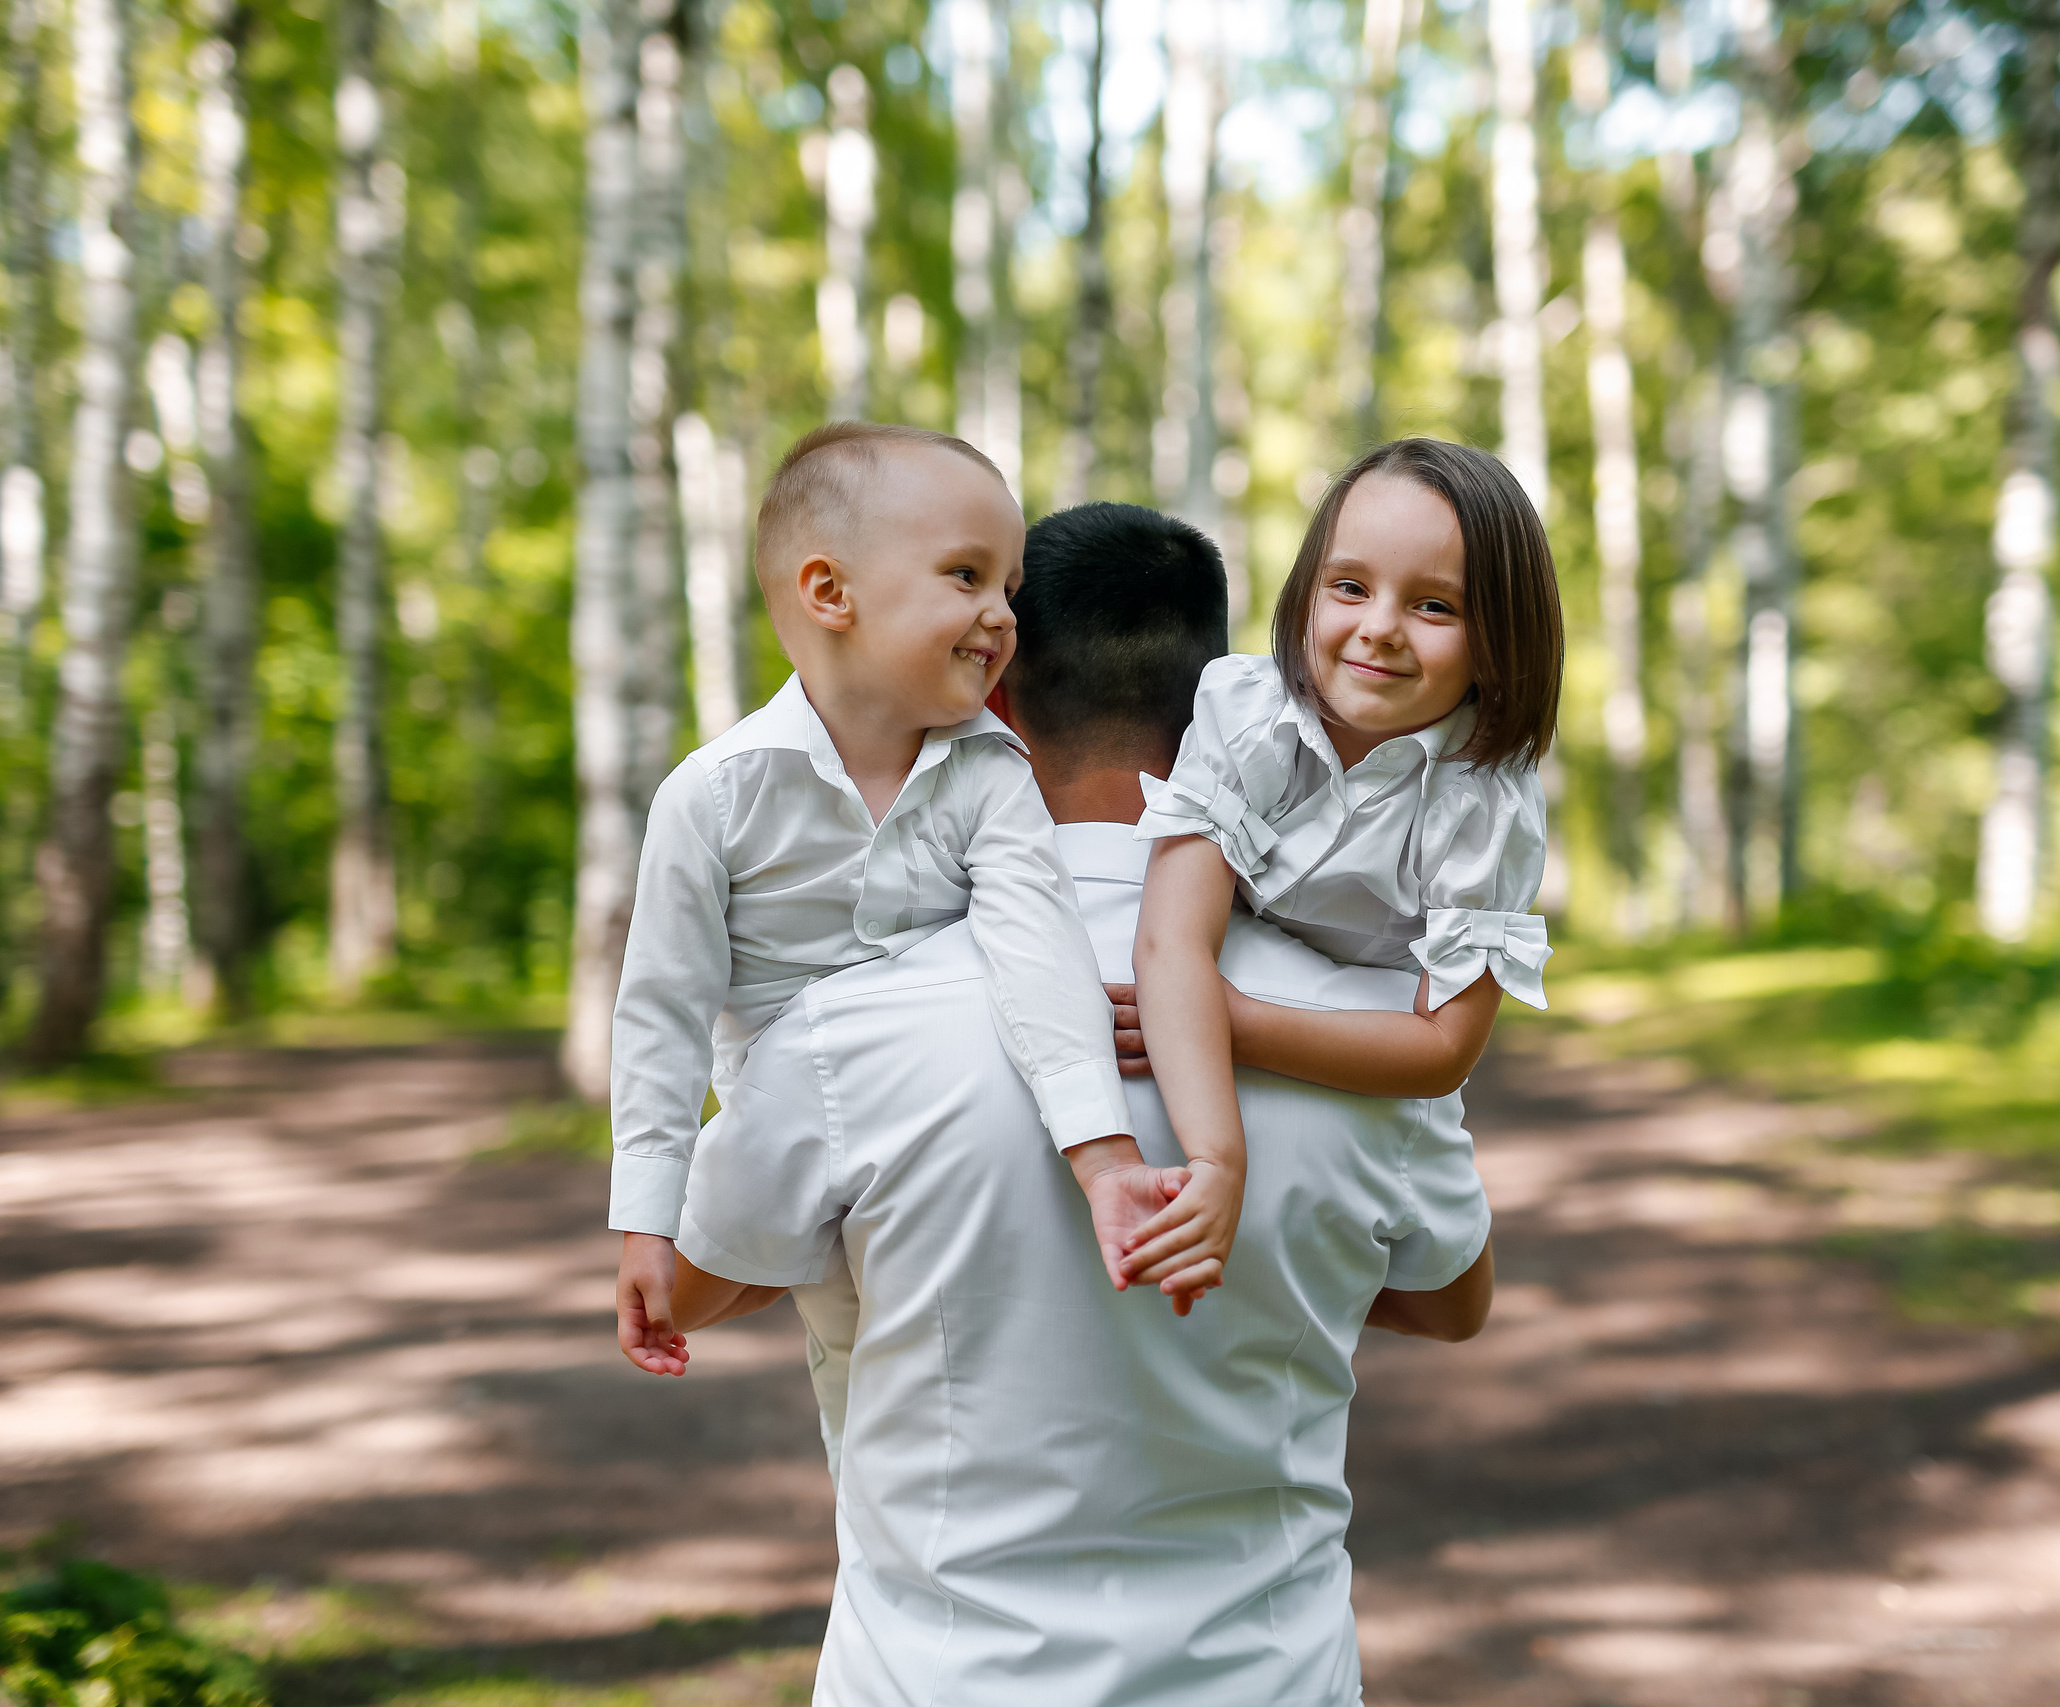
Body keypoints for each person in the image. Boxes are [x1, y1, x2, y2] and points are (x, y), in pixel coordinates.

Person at [664, 501, 1496, 1704]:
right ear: (1226, 702)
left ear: (992, 702)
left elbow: (686, 1286)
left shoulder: (851, 1027)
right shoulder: (1366, 1031)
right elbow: (1448, 1300)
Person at [608, 422, 1142, 1380]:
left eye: (1009, 589)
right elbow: (662, 1016)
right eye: (966, 576)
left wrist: (1103, 1158)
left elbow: (1040, 952)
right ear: (829, 592)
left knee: (947, 1371)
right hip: (786, 1149)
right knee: (853, 1383)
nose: (1003, 615)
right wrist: (646, 1218)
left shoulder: (991, 773)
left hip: (940, 1140)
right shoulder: (716, 793)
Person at [1123, 438, 1565, 1305]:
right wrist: (1218, 1160)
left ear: (1499, 639)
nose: (1379, 628)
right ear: (1308, 589)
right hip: (1230, 981)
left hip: (1375, 1042)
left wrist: (1237, 1021)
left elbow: (1441, 1048)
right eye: (1350, 586)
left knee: (1457, 1305)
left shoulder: (1484, 804)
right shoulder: (1247, 713)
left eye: (1434, 605)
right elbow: (1170, 940)